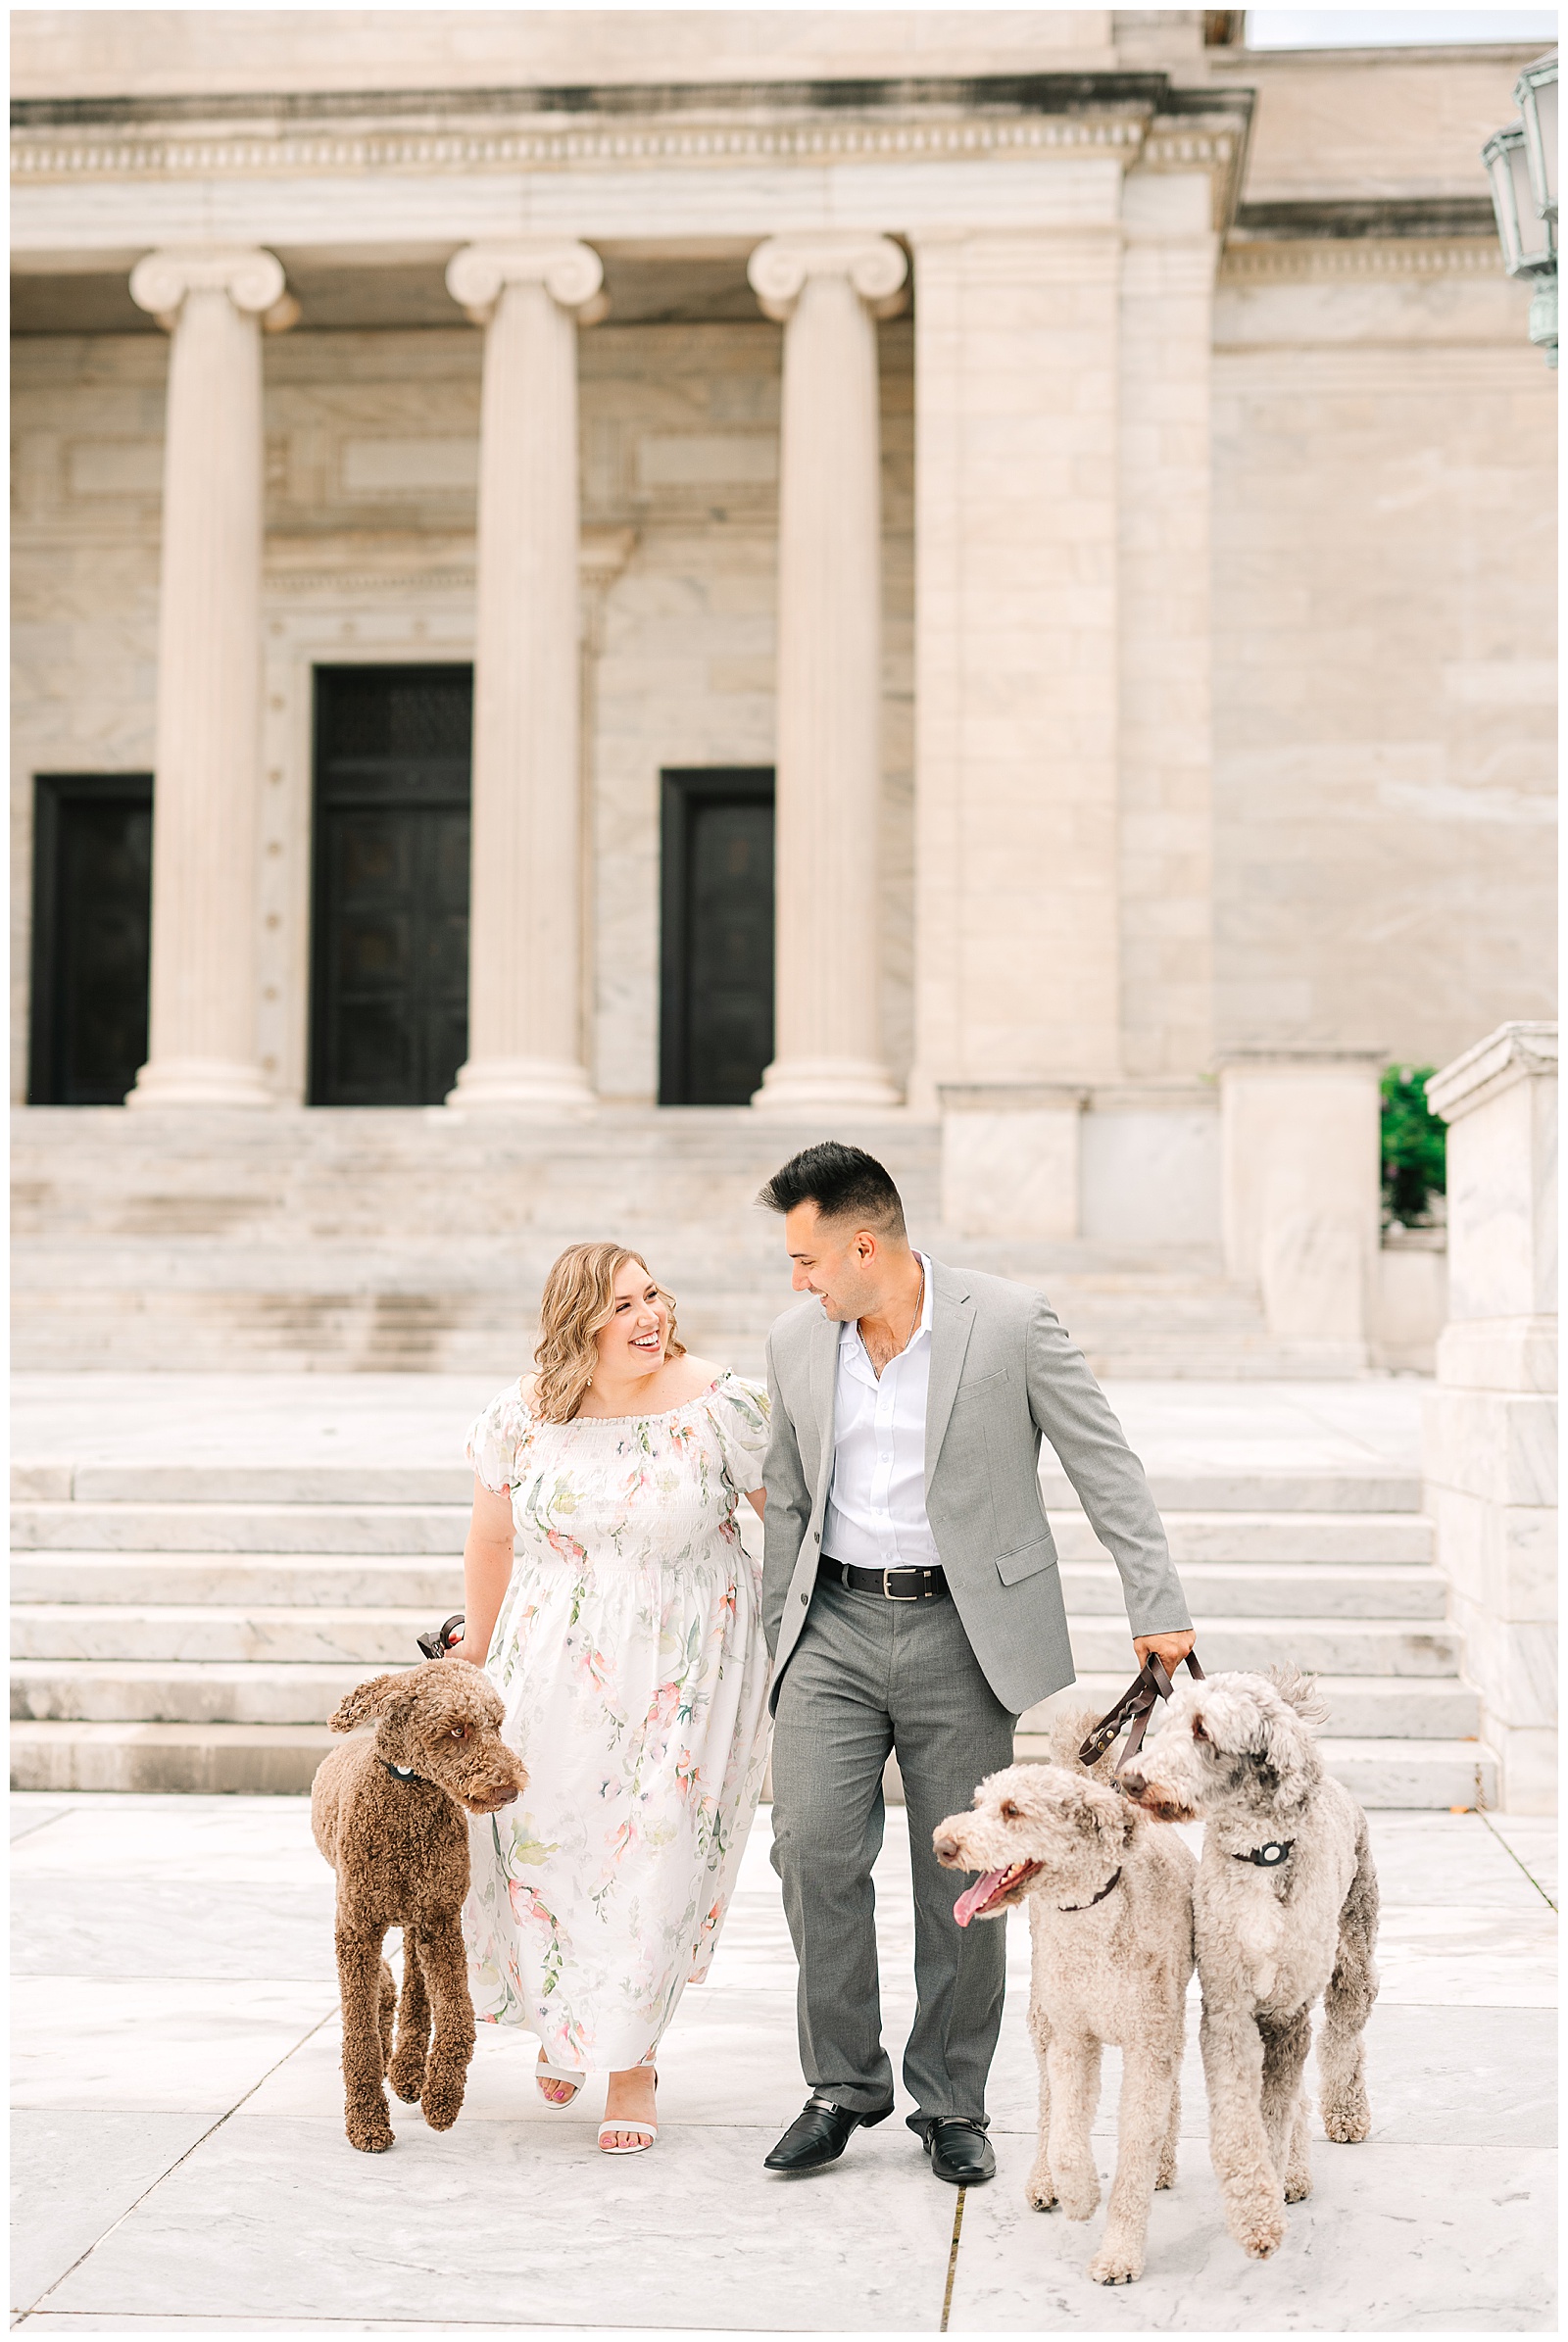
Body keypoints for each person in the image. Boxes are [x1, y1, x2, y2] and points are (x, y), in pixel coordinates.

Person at [756, 1142, 1195, 2187]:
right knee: (811, 1849)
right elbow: (783, 1495)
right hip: (833, 1628)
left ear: (865, 1244)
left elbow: (1103, 1459)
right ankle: (839, 2084)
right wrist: (779, 1631)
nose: (796, 1279)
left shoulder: (1007, 1321)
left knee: (967, 1868)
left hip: (964, 1630)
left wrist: (1157, 1599)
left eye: (807, 1258)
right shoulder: (793, 1341)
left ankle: (951, 2098)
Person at [449, 1242, 771, 2153]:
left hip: (690, 1667)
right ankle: (565, 2021)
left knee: (654, 1856)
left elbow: (784, 1519)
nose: (650, 1318)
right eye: (623, 1305)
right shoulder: (525, 1412)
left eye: (654, 1296)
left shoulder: (722, 1405)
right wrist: (475, 1650)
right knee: (542, 1842)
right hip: (547, 1658)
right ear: (577, 1321)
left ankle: (631, 2059)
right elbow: (492, 1540)